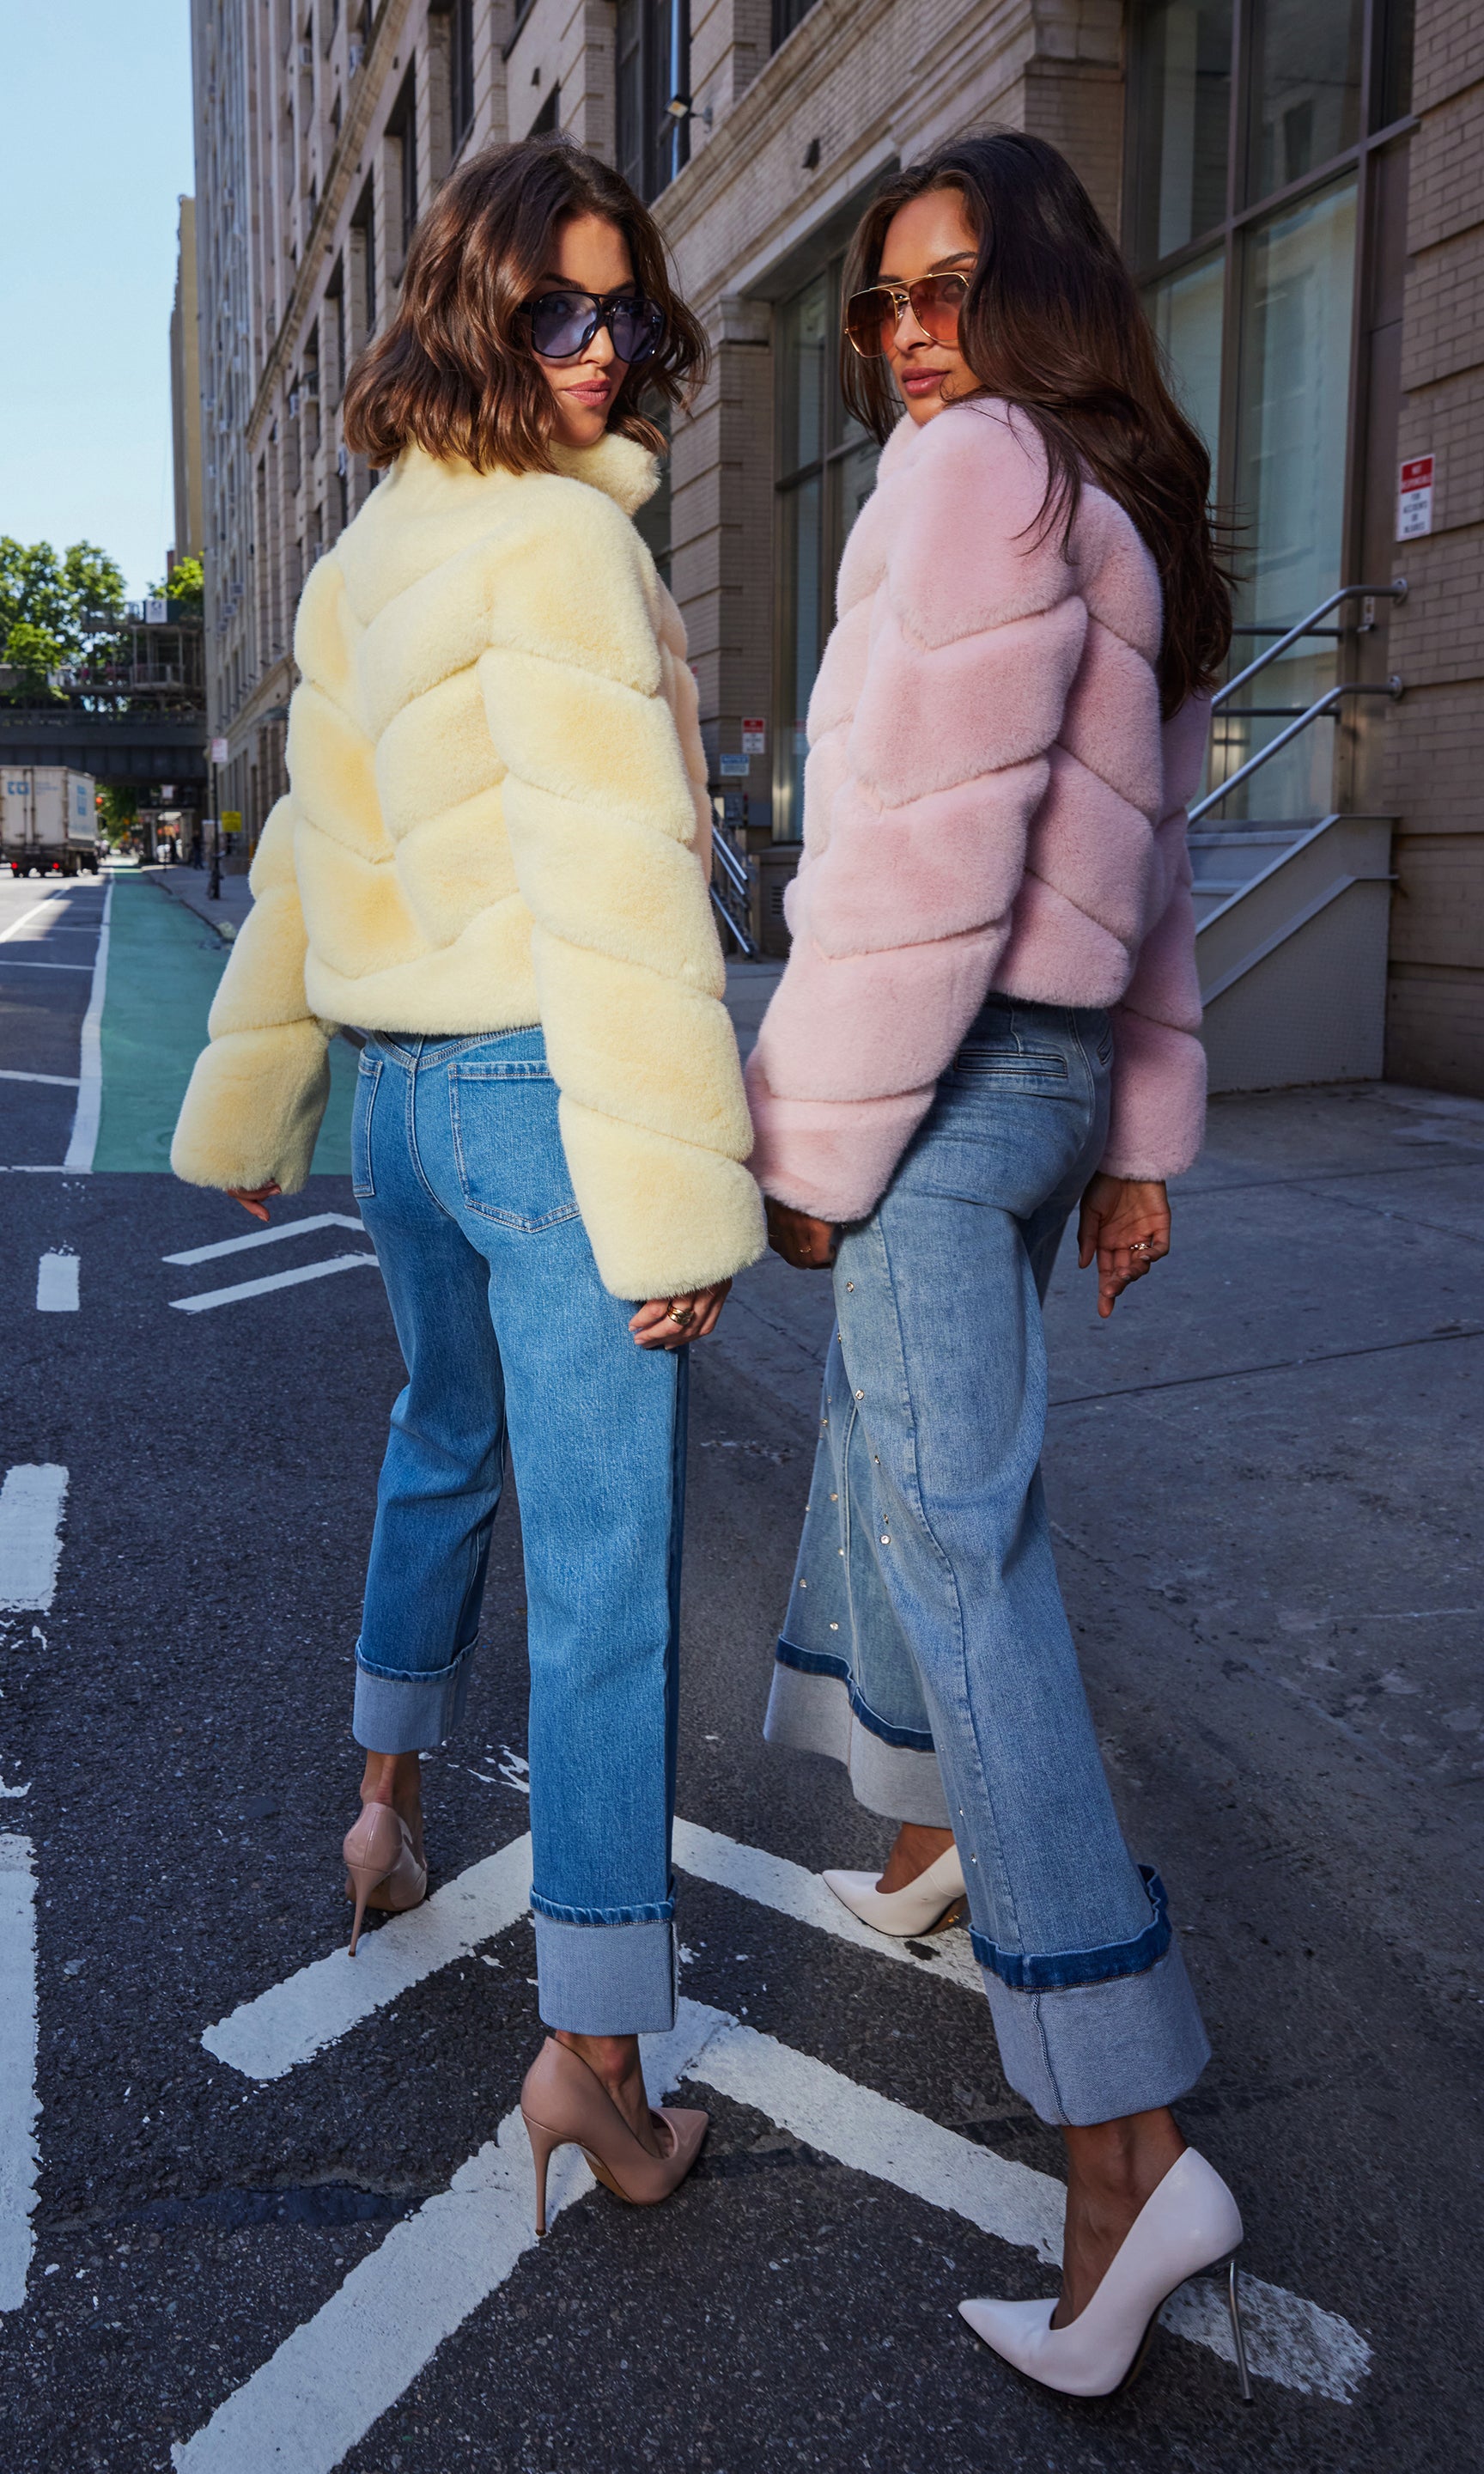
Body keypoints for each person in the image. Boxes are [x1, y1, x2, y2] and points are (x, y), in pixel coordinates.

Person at [171, 137, 763, 2232]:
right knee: (608, 1571)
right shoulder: (565, 554)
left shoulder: (360, 565)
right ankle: (594, 2062)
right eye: (554, 313)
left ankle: (382, 1813)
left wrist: (257, 1106)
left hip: (405, 1116)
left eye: (624, 311)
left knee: (439, 1444)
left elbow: (303, 868)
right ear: (470, 321)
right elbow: (624, 905)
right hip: (541, 1091)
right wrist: (692, 1204)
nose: (601, 352)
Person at [748, 132, 1250, 2402]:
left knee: (970, 1547)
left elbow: (901, 880)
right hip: (1038, 1090)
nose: (907, 332)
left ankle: (1126, 2141)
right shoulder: (1111, 507)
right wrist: (1136, 1143)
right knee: (914, 1469)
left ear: (1038, 284)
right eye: (879, 305)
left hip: (942, 1083)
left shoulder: (968, 486)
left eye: (948, 284)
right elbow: (1133, 875)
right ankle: (931, 1832)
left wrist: (814, 1135)